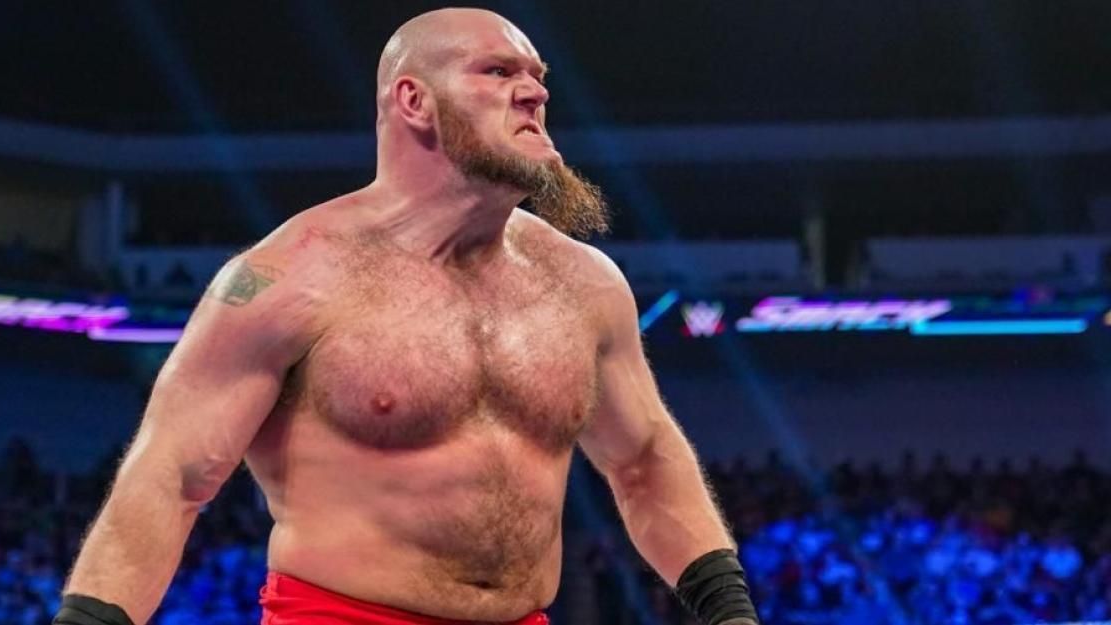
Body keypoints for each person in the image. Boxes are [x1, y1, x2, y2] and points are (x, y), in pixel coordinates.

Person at [53, 8, 756, 625]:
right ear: (414, 100)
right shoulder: (288, 277)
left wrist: (730, 612)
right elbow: (170, 477)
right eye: (498, 71)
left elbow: (643, 460)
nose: (535, 92)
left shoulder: (583, 282)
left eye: (538, 76)